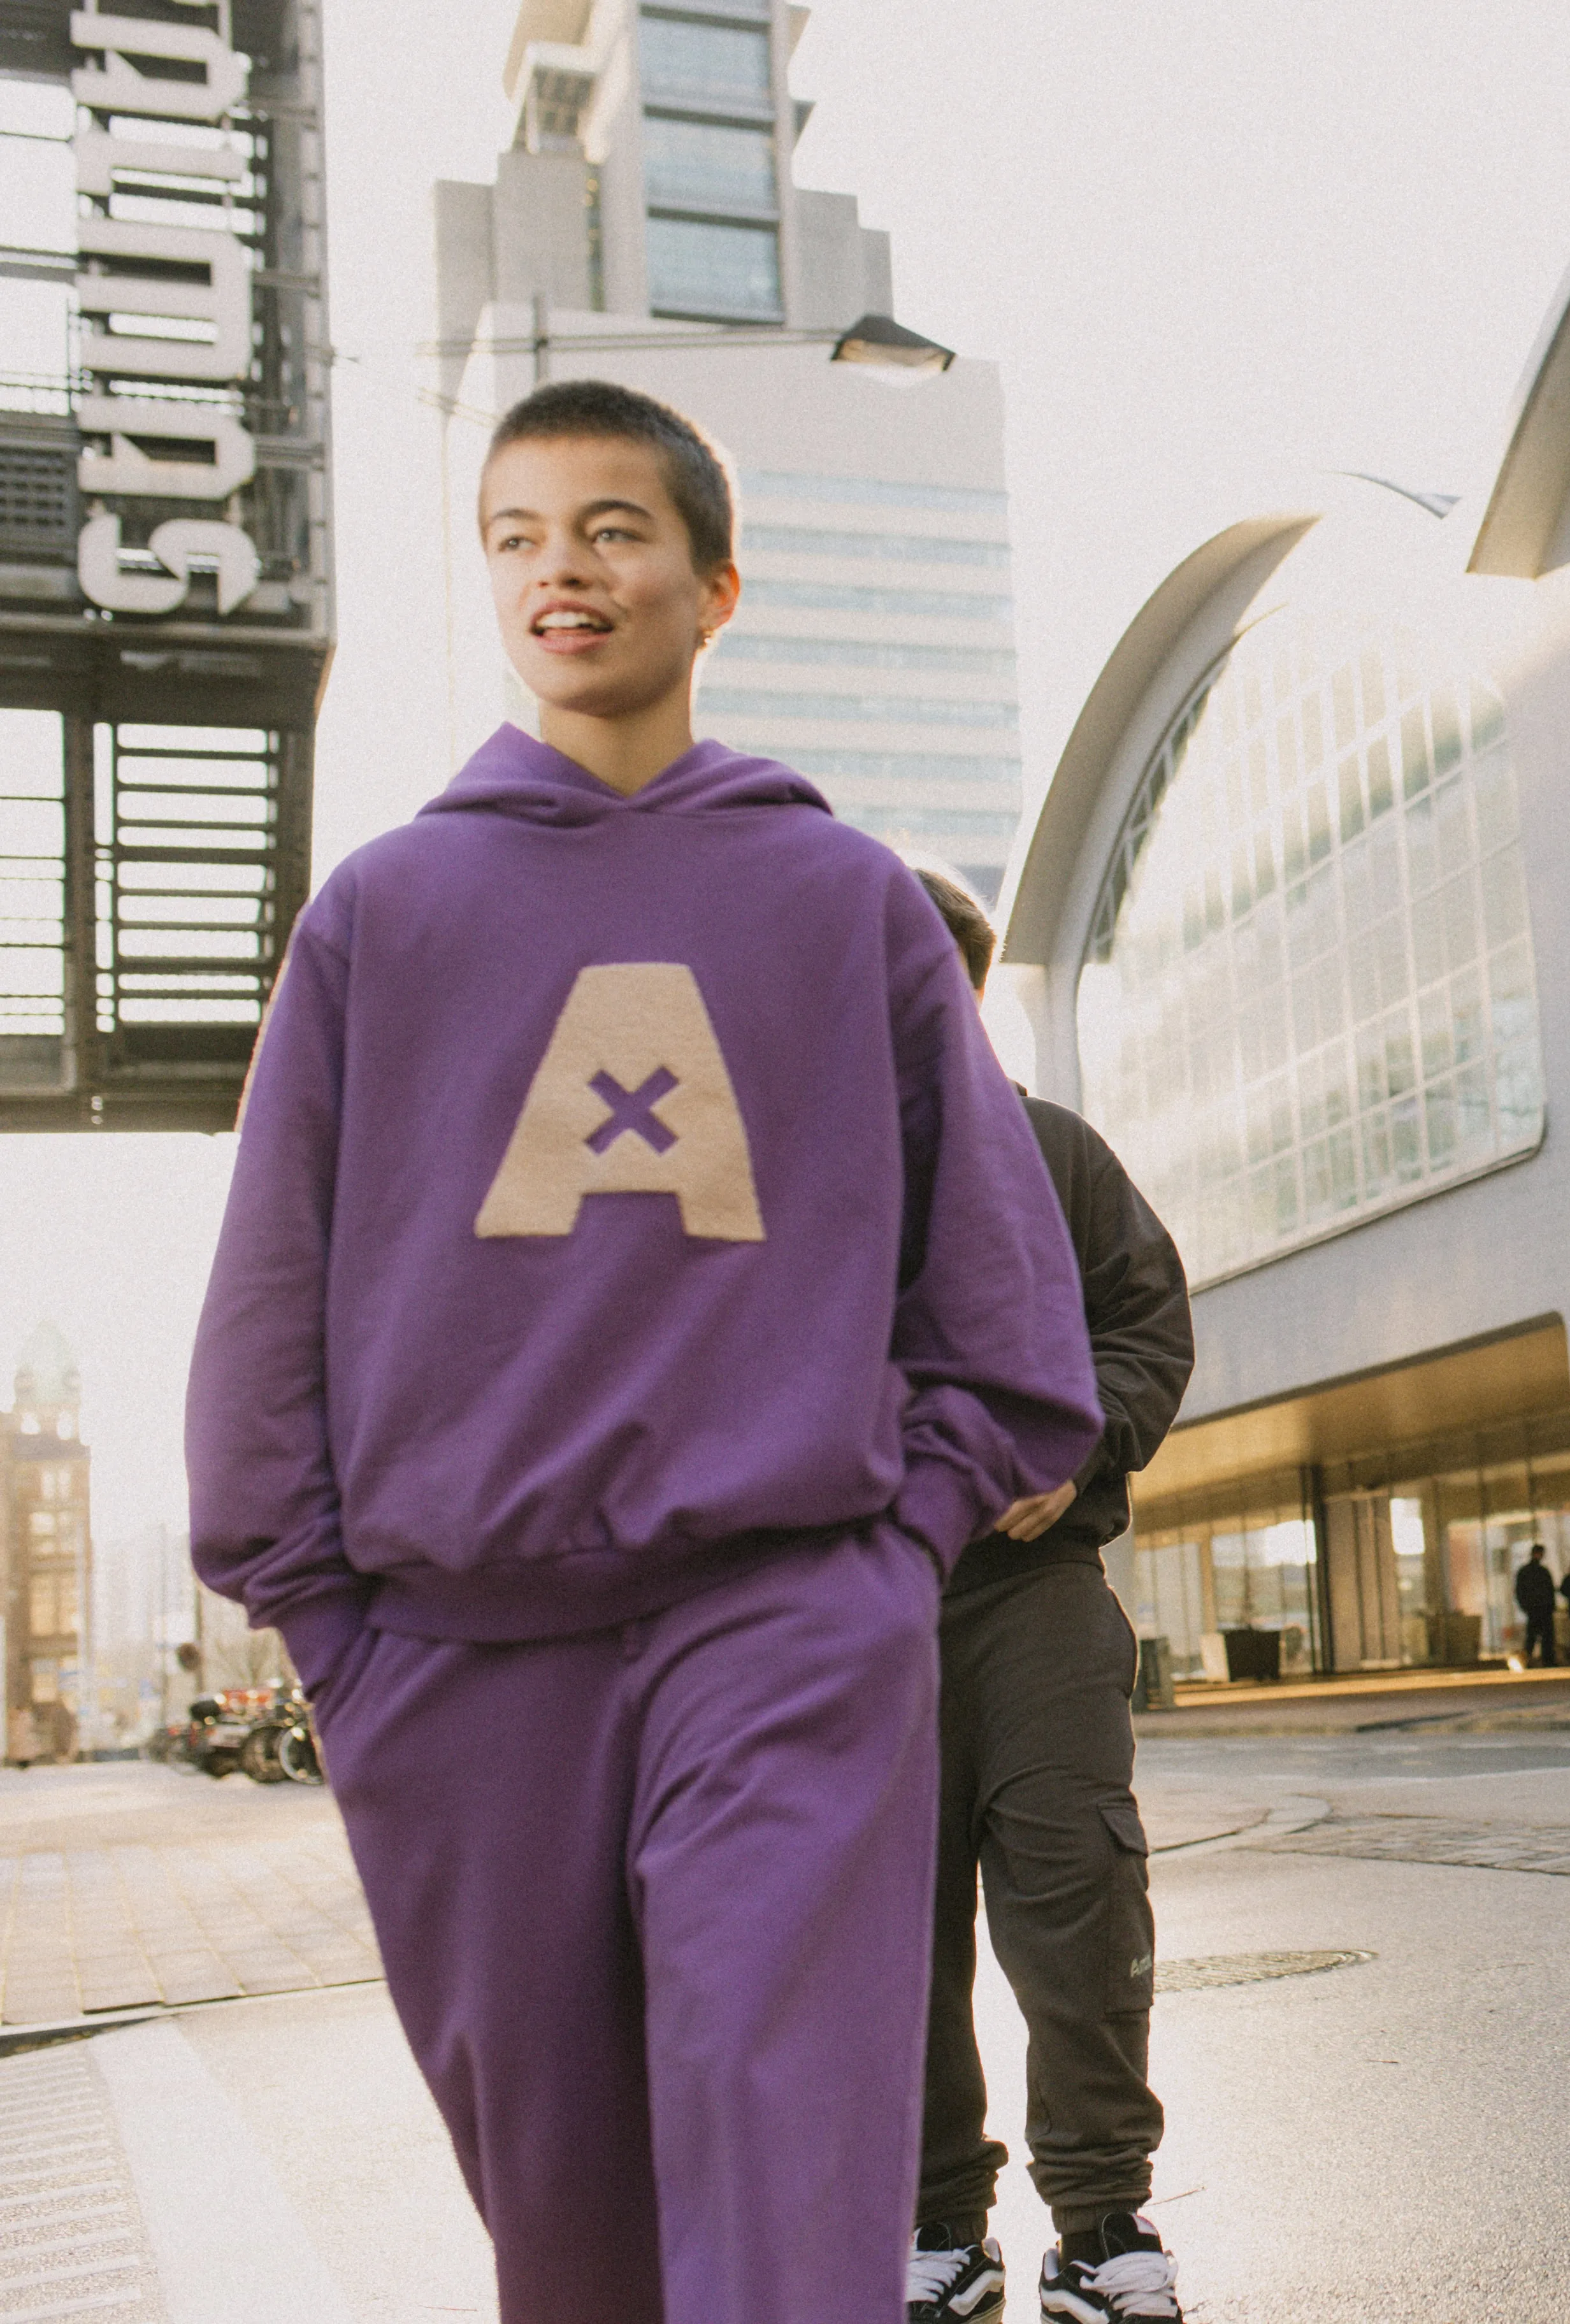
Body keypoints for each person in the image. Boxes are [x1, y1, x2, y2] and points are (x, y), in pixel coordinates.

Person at [185, 379, 1097, 2324]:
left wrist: (884, 1550)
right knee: (568, 2219)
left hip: (782, 1617)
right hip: (449, 1654)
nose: (562, 570)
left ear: (713, 584)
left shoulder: (840, 897)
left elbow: (1009, 1305)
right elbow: (272, 1282)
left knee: (789, 2164)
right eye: (518, 535)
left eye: (612, 527)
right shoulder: (384, 911)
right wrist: (327, 1616)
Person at [900, 868, 1199, 2324]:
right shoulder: (778, 1169)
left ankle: (1102, 2227)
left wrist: (1070, 1439)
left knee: (1076, 1897)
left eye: (936, 974)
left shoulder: (1049, 1150)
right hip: (855, 1608)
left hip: (1034, 1593)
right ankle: (932, 2228)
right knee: (888, 1928)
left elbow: (1147, 1316)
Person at [1513, 1544, 1559, 1668]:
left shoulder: (1525, 1572)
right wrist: (1551, 1606)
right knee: (1546, 1636)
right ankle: (1547, 1660)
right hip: (1543, 1609)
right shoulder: (1543, 1572)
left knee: (1531, 1637)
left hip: (1533, 1609)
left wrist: (1525, 1606)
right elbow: (1550, 1591)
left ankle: (1527, 1660)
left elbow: (1519, 1591)